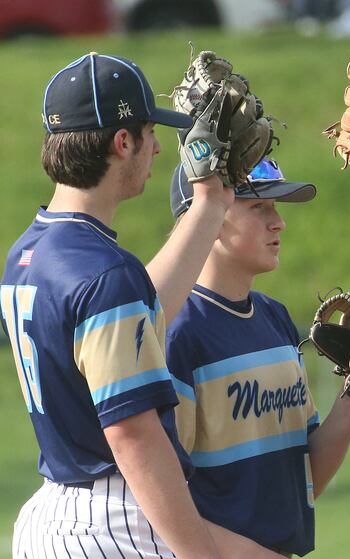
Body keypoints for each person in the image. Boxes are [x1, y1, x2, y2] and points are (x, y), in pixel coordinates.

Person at [2, 52, 236, 559]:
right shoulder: (105, 272)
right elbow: (133, 435)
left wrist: (210, 203)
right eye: (149, 133)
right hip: (116, 523)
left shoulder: (28, 250)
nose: (157, 147)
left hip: (52, 514)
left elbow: (139, 324)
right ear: (122, 142)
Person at [165, 158, 350, 557]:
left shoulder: (274, 317)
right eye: (258, 206)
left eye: (276, 207)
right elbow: (159, 505)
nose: (278, 222)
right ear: (204, 214)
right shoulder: (179, 334)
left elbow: (303, 475)